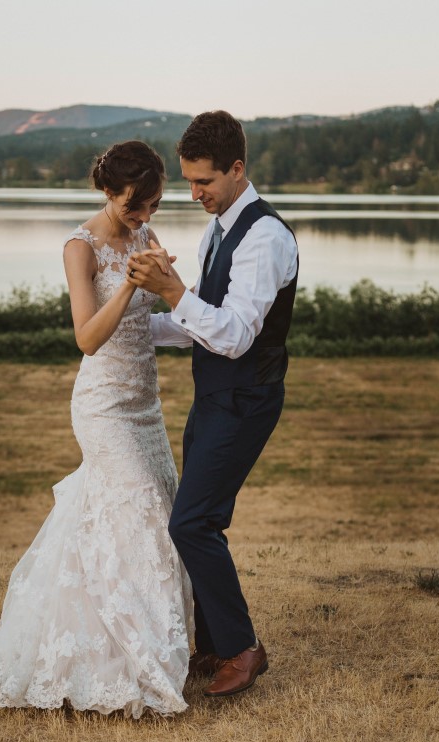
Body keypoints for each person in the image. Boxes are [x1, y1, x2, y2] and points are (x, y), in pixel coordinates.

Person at [0, 140, 193, 718]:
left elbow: (153, 319)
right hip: (103, 405)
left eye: (155, 205)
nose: (146, 218)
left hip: (145, 403)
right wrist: (132, 283)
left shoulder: (144, 237)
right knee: (139, 510)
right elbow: (86, 337)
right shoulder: (79, 246)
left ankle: (166, 645)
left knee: (163, 509)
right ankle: (125, 658)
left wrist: (169, 287)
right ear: (110, 192)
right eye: (137, 207)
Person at [127, 111, 299, 698]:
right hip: (215, 395)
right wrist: (137, 328)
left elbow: (234, 335)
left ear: (236, 169)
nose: (195, 193)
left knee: (191, 522)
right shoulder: (219, 228)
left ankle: (243, 649)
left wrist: (172, 291)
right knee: (202, 520)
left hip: (247, 399)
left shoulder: (267, 237)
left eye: (205, 181)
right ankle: (212, 644)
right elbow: (202, 320)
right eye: (189, 181)